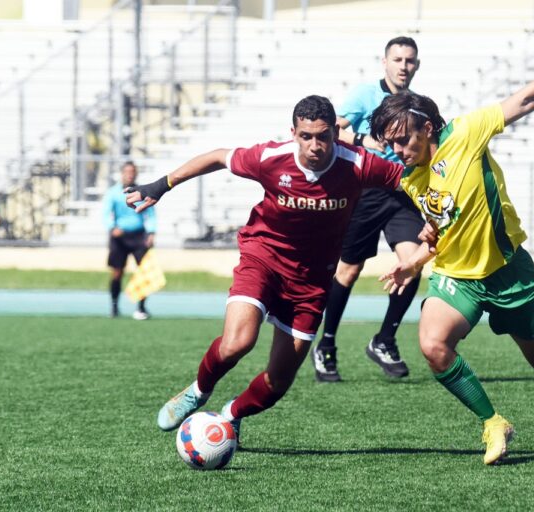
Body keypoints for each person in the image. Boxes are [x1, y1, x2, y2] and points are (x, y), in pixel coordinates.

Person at [370, 30, 534, 465]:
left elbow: (523, 100)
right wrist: (414, 263)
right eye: (389, 143)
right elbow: (442, 231)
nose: (397, 150)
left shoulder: (466, 133)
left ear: (427, 128)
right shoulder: (411, 179)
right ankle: (493, 422)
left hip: (508, 273)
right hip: (457, 278)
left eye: (402, 139)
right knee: (432, 345)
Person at [124, 95, 404, 442]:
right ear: (293, 132)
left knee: (278, 382)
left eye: (323, 136)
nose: (315, 145)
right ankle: (199, 390)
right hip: (263, 258)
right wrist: (161, 185)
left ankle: (229, 416)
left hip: (312, 282)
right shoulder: (271, 158)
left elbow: (411, 182)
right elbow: (216, 157)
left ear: (336, 133)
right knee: (237, 343)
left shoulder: (359, 164)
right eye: (306, 136)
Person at [313, 36, 424, 382]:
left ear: (416, 65)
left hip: (402, 192)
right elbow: (334, 131)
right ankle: (326, 345)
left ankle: (384, 339)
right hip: (367, 191)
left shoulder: (416, 104)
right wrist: (363, 141)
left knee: (412, 265)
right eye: (398, 59)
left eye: (409, 60)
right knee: (348, 271)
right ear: (385, 62)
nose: (403, 66)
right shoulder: (365, 95)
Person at [103, 161, 156, 320]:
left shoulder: (143, 192)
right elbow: (106, 213)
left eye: (133, 171)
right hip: (119, 237)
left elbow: (151, 213)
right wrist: (113, 228)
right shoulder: (113, 193)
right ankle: (114, 306)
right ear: (122, 173)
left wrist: (151, 232)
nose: (130, 174)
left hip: (139, 236)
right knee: (117, 272)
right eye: (127, 171)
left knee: (143, 272)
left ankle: (141, 307)